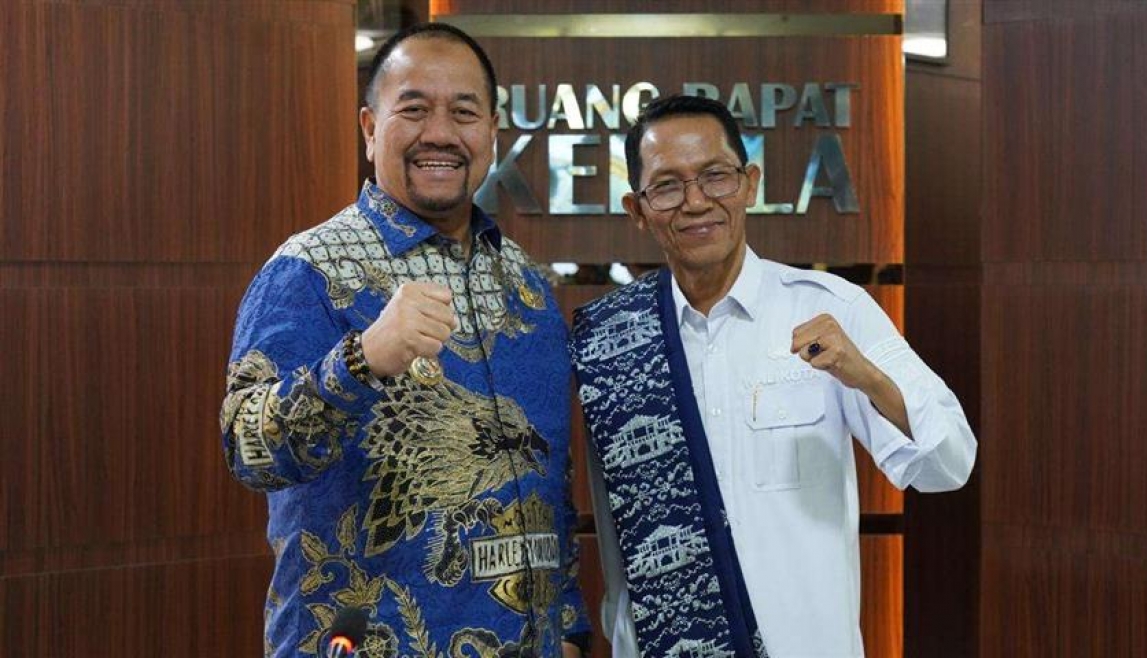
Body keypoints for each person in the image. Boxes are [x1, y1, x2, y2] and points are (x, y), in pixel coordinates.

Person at [220, 23, 590, 658]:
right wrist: (360, 361)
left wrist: (572, 630)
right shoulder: (310, 270)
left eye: (463, 112)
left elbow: (551, 483)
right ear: (370, 129)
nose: (439, 133)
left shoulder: (527, 285)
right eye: (414, 110)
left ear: (492, 132)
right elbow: (246, 448)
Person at [570, 94, 976, 657]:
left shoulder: (832, 309)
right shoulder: (609, 339)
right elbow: (619, 543)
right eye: (667, 186)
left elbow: (948, 462)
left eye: (716, 176)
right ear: (637, 210)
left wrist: (866, 376)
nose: (696, 202)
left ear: (750, 184)